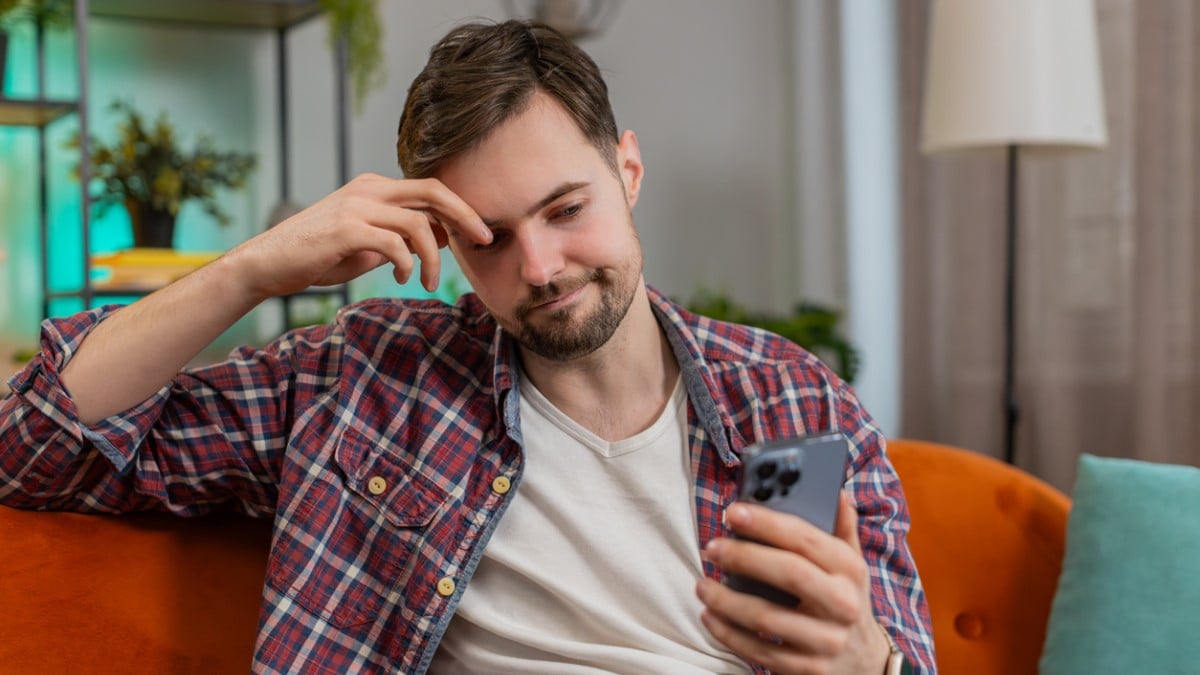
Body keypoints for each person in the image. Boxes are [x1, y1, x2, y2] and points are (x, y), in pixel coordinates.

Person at [0, 19, 935, 675]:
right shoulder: (364, 377)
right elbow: (32, 450)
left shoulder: (791, 400)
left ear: (630, 170)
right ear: (443, 241)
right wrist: (253, 268)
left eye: (567, 210)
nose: (540, 265)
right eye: (488, 237)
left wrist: (866, 662)